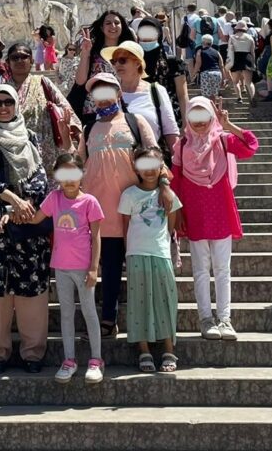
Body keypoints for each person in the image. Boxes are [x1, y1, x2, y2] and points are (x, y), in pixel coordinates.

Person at [0, 85, 52, 374]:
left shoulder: (30, 136)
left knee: (32, 292)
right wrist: (14, 203)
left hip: (28, 222)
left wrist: (25, 206)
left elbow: (41, 176)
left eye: (9, 101)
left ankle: (33, 353)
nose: (4, 107)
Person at [79, 72, 161, 338]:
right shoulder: (88, 128)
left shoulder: (134, 121)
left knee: (137, 267)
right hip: (98, 211)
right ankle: (107, 317)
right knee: (109, 267)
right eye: (96, 93)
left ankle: (148, 319)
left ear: (118, 93)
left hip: (134, 210)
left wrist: (166, 187)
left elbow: (154, 154)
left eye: (107, 91)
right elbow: (78, 164)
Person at [173, 97, 259, 340]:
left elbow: (251, 146)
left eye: (204, 117)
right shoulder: (181, 147)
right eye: (194, 117)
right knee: (200, 269)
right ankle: (205, 319)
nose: (199, 123)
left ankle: (225, 319)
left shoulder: (222, 140)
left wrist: (228, 124)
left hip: (220, 211)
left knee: (223, 268)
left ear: (212, 117)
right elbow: (176, 182)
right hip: (195, 213)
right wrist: (177, 213)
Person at [22, 153, 104, 385]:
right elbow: (36, 219)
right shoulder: (54, 198)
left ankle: (96, 359)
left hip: (83, 268)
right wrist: (12, 215)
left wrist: (93, 268)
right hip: (61, 267)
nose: (69, 181)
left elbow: (97, 237)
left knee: (89, 312)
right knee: (66, 314)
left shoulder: (90, 202)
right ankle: (69, 360)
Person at [120, 147, 182, 373]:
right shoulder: (129, 195)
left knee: (166, 300)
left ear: (161, 167)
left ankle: (168, 348)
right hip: (137, 253)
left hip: (160, 253)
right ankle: (144, 349)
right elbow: (125, 226)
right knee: (139, 302)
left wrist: (166, 187)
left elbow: (171, 224)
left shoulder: (167, 195)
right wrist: (129, 252)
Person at [4, 41, 81, 173]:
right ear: (8, 62)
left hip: (46, 150)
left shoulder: (42, 82)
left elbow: (64, 106)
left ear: (32, 60)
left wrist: (77, 134)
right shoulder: (3, 89)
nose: (20, 60)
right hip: (15, 152)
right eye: (15, 57)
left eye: (24, 57)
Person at [104, 40, 179, 164]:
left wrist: (177, 165)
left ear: (137, 63)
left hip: (150, 167)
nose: (117, 64)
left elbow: (170, 131)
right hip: (118, 166)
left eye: (122, 60)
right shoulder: (109, 94)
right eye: (114, 61)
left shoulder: (156, 91)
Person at [72, 10, 136, 124]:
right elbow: (80, 81)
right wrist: (85, 53)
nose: (113, 26)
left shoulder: (129, 52)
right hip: (94, 110)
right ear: (101, 28)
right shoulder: (93, 52)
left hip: (123, 108)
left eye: (117, 23)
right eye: (108, 23)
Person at [136, 17, 189, 127]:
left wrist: (186, 123)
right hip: (142, 119)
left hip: (172, 119)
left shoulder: (173, 62)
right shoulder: (133, 62)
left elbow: (182, 95)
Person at [227, 21, 257, 105]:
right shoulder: (250, 37)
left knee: (235, 81)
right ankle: (252, 97)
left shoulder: (232, 37)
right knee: (249, 82)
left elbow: (229, 50)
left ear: (237, 28)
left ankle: (239, 98)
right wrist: (253, 62)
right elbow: (252, 51)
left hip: (236, 58)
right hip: (247, 58)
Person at [194, 34, 224, 99]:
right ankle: (214, 108)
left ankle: (208, 108)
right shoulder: (217, 52)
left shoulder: (200, 51)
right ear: (211, 43)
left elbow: (198, 63)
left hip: (206, 73)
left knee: (206, 96)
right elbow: (221, 65)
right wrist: (223, 78)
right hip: (217, 73)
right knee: (214, 95)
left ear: (202, 42)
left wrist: (194, 74)